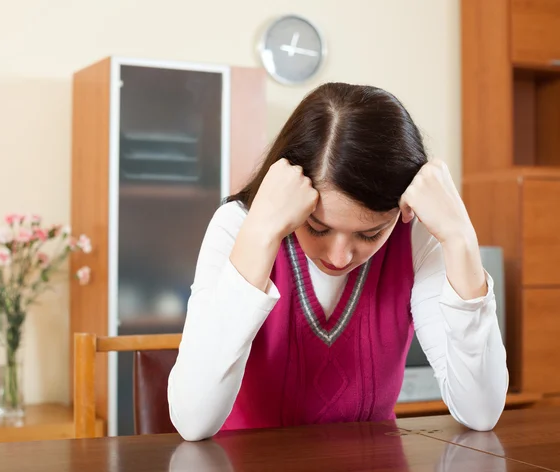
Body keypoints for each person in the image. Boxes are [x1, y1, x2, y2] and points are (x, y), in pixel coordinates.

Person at [167, 83, 509, 442]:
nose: (339, 257)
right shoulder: (238, 227)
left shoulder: (414, 238)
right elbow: (193, 421)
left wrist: (460, 239)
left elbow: (481, 412)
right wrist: (260, 236)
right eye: (317, 227)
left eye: (369, 234)